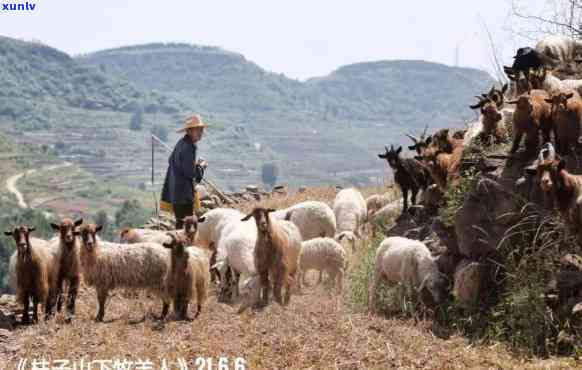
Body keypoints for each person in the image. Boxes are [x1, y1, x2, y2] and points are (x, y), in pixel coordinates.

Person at [161, 115, 208, 229]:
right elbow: (190, 172)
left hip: (176, 191)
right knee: (186, 224)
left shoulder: (181, 143)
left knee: (181, 222)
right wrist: (201, 167)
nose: (201, 132)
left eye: (201, 129)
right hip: (183, 194)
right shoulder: (189, 147)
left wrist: (195, 165)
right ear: (189, 131)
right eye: (198, 129)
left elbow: (173, 161)